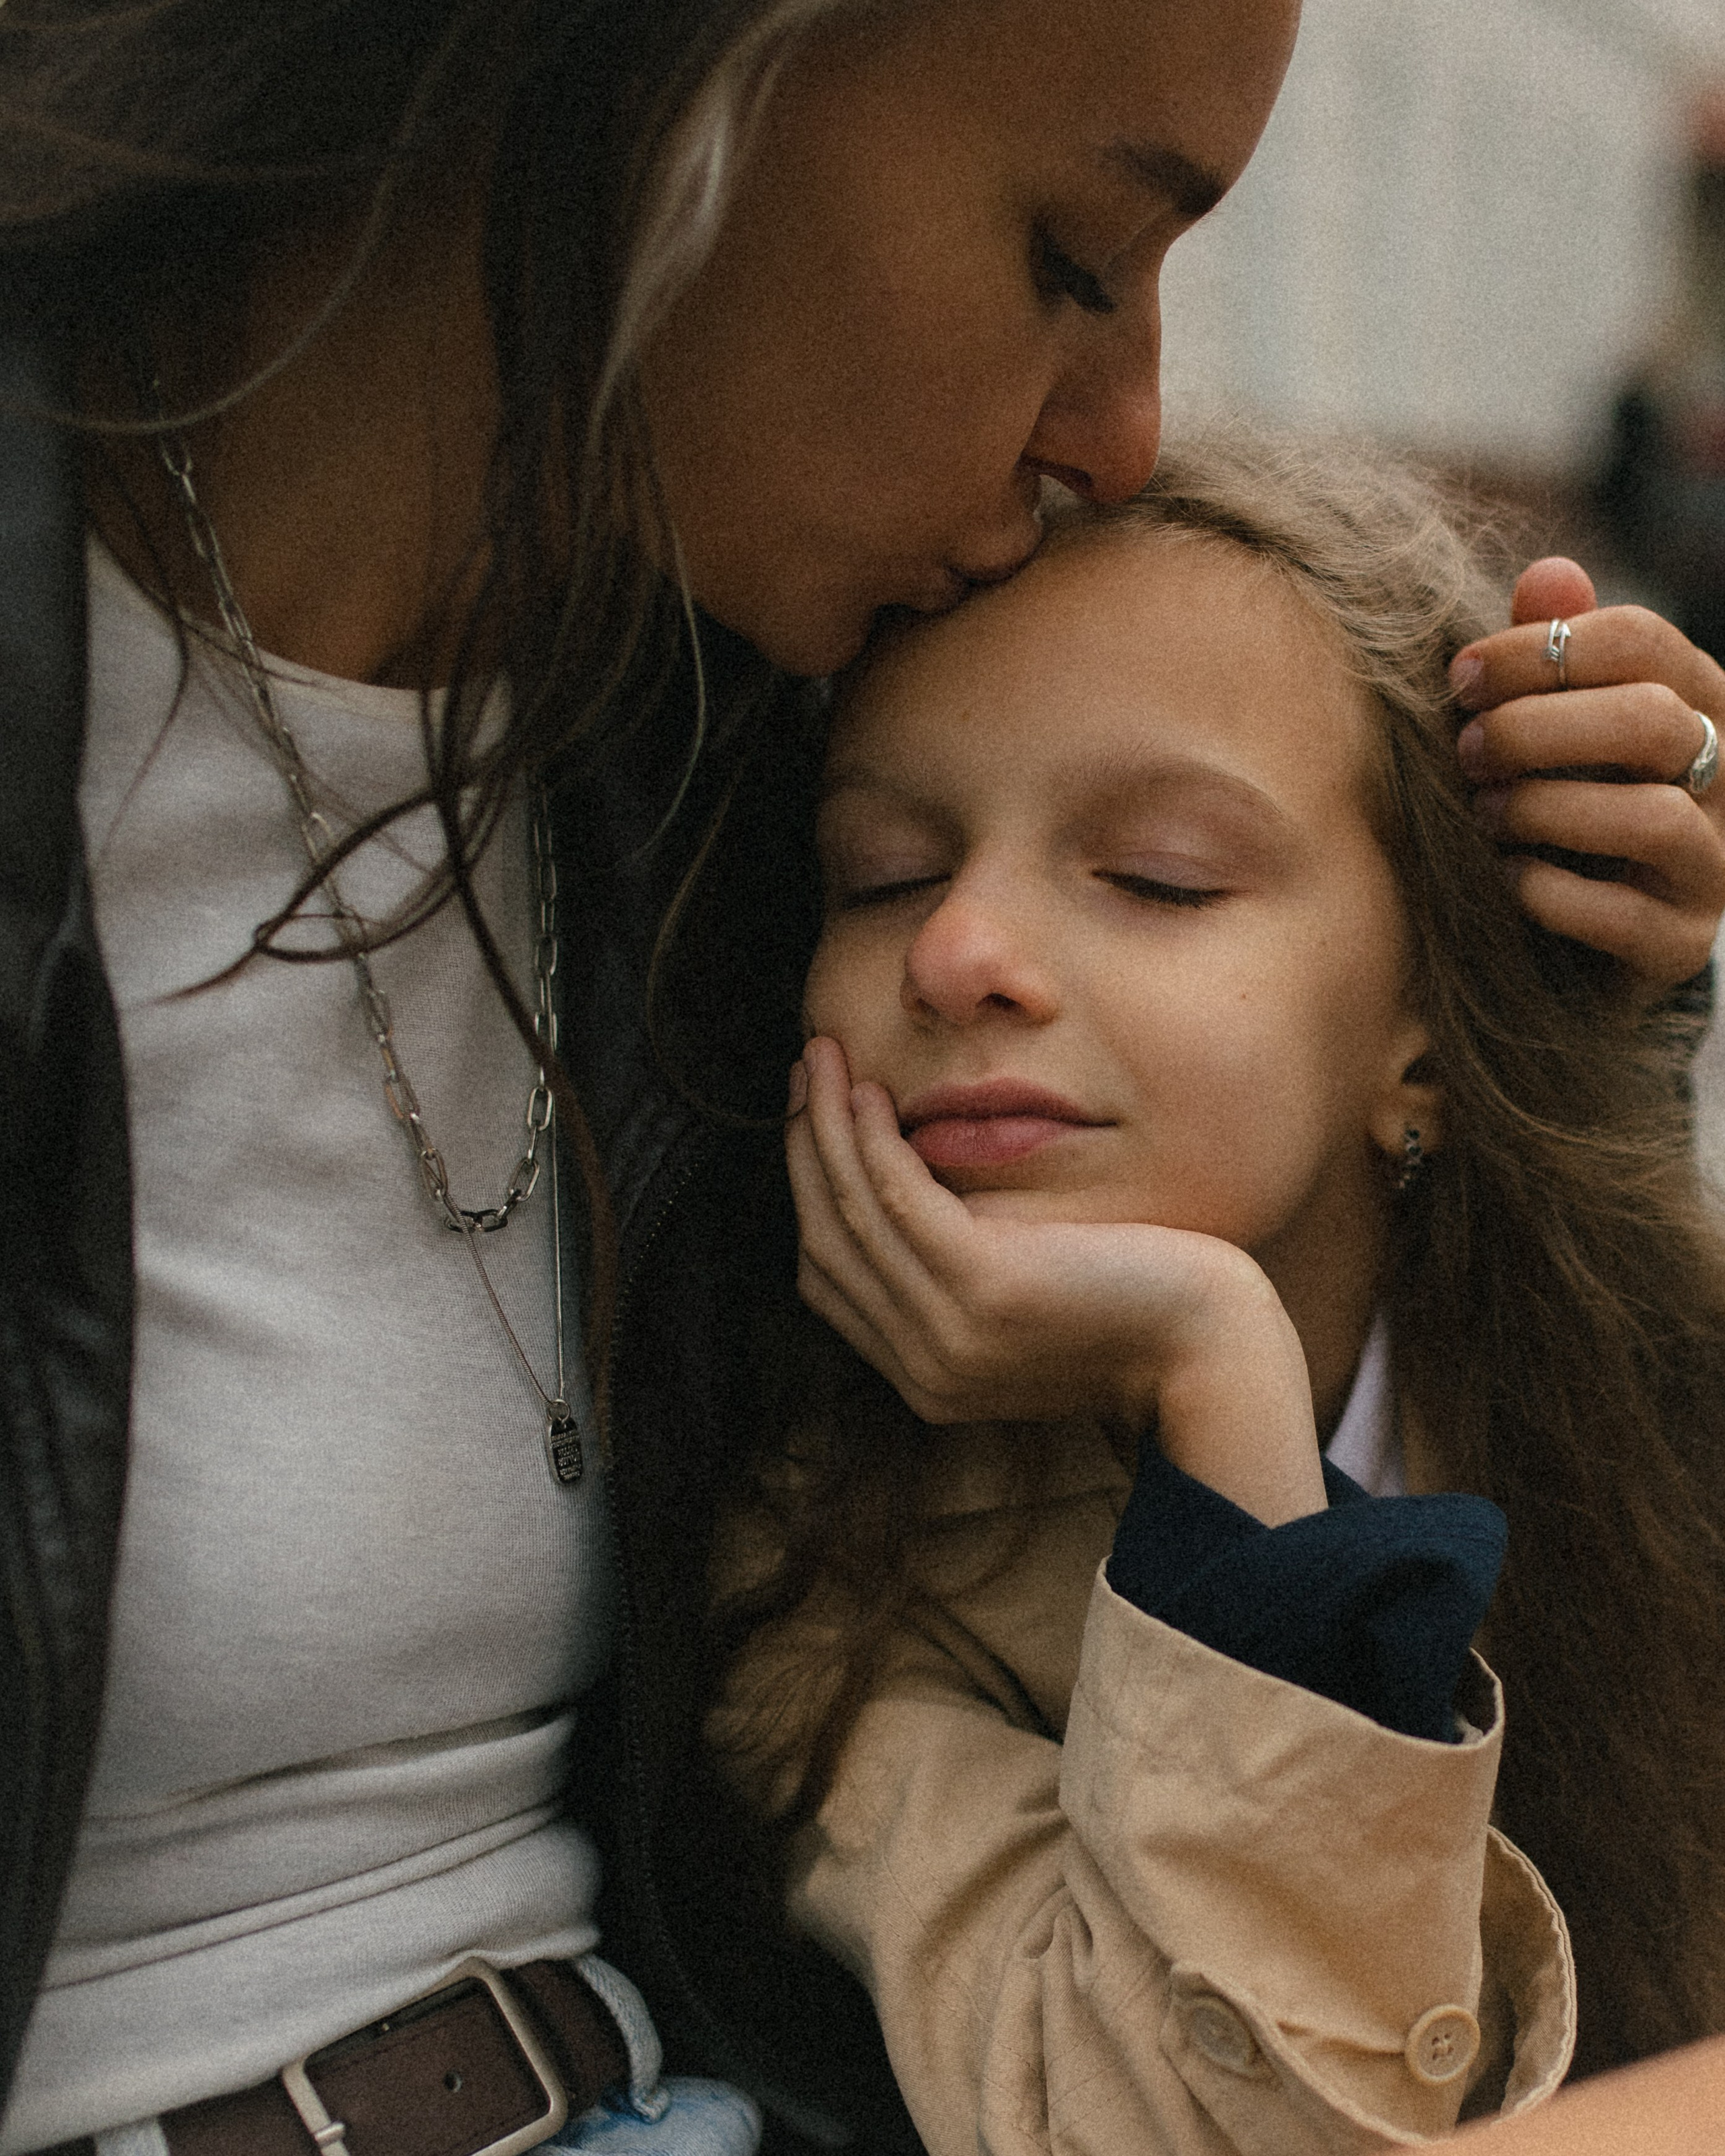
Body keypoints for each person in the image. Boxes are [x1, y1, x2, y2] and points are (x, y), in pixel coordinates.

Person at [1, 2, 1723, 2152]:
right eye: (1074, 259)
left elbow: (1467, 1630)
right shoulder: (760, 809)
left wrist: (1570, 999)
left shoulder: (712, 751)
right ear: (686, 72)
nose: (1127, 429)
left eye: (1150, 878)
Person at [706, 433, 1725, 2154]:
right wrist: (1217, 1378)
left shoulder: (1641, 1397)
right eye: (880, 876)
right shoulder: (824, 1580)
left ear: (1424, 1040)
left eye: (1156, 876)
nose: (955, 952)